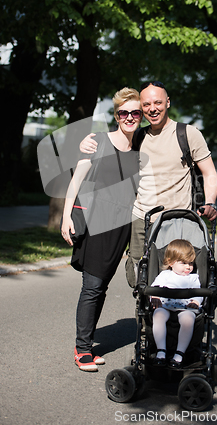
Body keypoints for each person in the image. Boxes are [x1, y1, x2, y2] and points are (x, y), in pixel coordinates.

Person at [79, 81, 217, 283]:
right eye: (146, 105)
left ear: (168, 102)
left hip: (176, 220)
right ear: (141, 108)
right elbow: (112, 143)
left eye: (158, 102)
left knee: (176, 277)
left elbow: (210, 173)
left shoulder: (188, 134)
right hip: (140, 219)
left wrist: (210, 202)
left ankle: (171, 313)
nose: (152, 109)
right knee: (137, 278)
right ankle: (147, 312)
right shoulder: (137, 136)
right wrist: (85, 143)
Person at [61, 87, 142, 372]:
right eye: (124, 112)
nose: (129, 117)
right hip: (97, 222)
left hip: (122, 226)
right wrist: (65, 215)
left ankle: (86, 344)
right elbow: (76, 181)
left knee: (102, 285)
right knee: (92, 286)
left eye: (135, 112)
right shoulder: (98, 142)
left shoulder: (142, 147)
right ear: (117, 115)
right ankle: (82, 349)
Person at [150, 239, 203, 369]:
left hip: (185, 307)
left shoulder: (193, 278)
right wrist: (155, 296)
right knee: (158, 315)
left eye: (190, 263)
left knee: (188, 320)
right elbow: (154, 287)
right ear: (171, 262)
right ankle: (161, 351)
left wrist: (196, 301)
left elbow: (199, 292)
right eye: (184, 263)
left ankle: (179, 353)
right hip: (165, 305)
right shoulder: (165, 275)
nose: (188, 267)